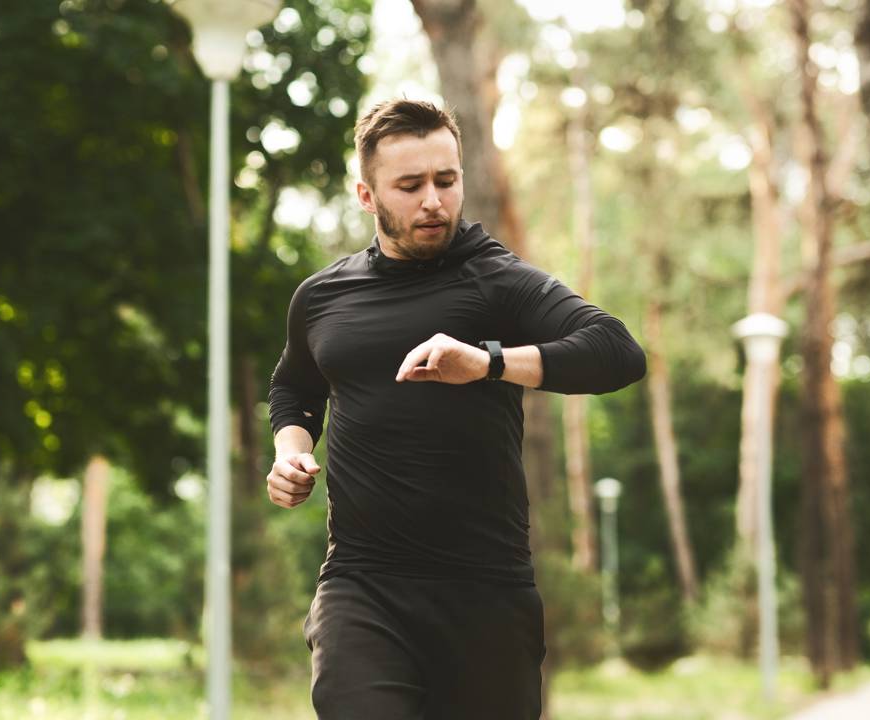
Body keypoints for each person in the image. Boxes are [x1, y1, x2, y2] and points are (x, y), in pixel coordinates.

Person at [266, 98, 646, 720]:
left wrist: (489, 361)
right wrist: (291, 451)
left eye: (446, 180)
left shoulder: (496, 279)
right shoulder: (322, 296)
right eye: (410, 185)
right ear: (367, 196)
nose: (434, 201)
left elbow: (617, 351)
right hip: (362, 582)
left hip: (485, 593)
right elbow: (295, 387)